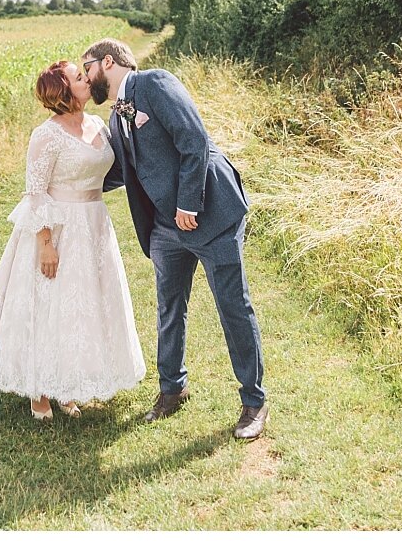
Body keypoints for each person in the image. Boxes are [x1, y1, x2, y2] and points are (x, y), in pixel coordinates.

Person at [82, 38, 268, 441]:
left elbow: (193, 141)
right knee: (169, 306)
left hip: (210, 212)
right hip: (166, 228)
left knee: (233, 307)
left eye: (87, 67)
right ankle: (172, 389)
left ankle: (254, 402)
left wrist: (189, 204)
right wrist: (72, 179)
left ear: (108, 62)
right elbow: (124, 171)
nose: (85, 77)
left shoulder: (156, 83)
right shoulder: (117, 116)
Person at [0, 60, 146, 419]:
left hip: (94, 225)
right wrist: (45, 243)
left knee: (83, 309)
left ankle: (69, 386)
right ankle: (40, 392)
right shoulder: (46, 135)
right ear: (64, 92)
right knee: (51, 306)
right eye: (80, 78)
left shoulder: (97, 123)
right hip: (58, 229)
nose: (87, 79)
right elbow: (35, 193)